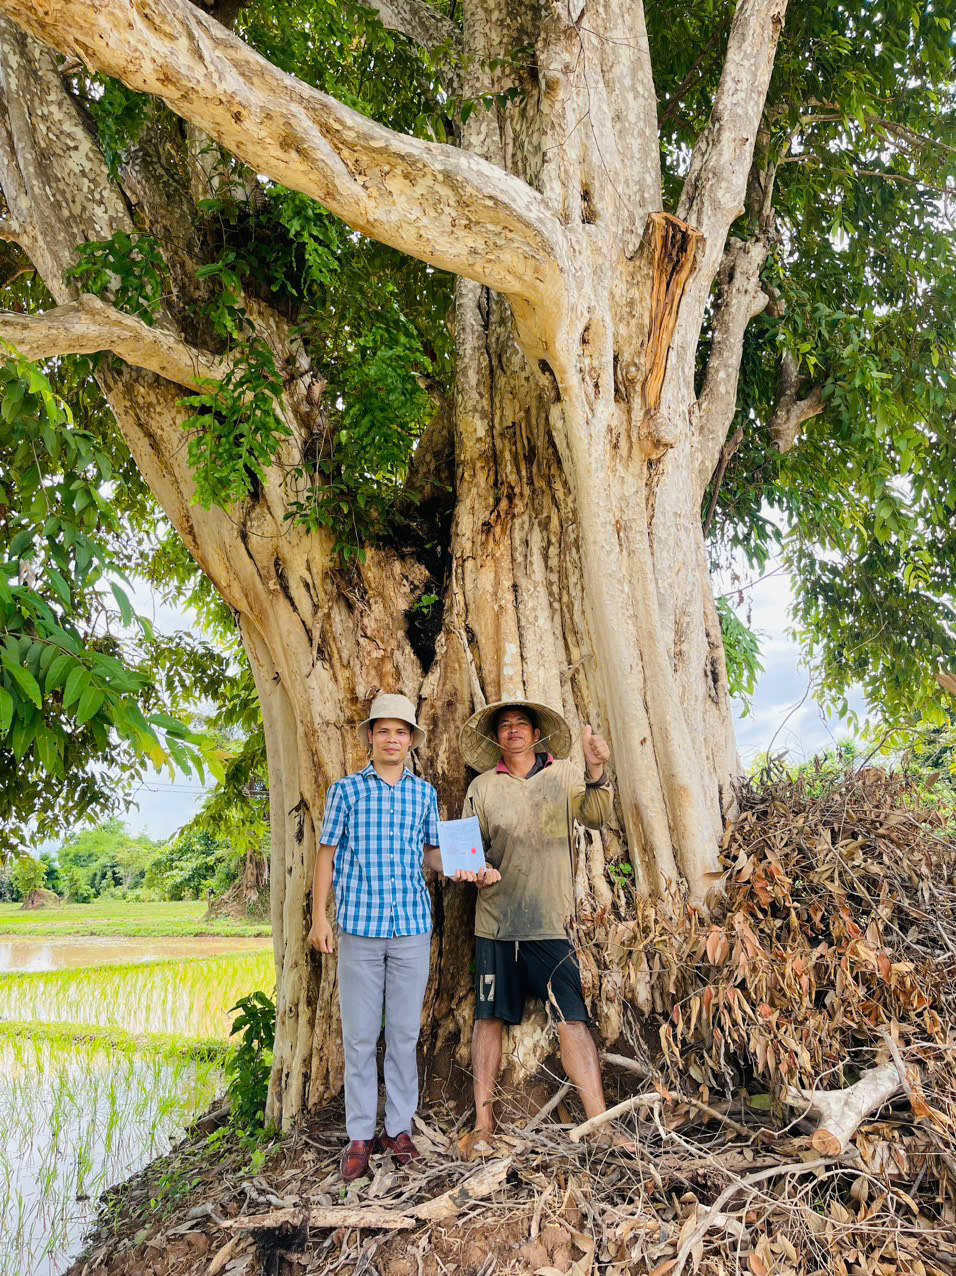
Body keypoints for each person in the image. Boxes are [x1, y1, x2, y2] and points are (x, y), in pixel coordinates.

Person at [308, 692, 499, 1181]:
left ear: (411, 741)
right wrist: (319, 918)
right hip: (360, 929)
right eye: (384, 730)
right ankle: (358, 1135)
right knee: (359, 1036)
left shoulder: (423, 794)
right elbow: (326, 856)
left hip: (412, 928)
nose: (393, 739)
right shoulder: (346, 791)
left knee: (403, 1034)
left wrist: (463, 868)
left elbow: (432, 853)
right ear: (371, 737)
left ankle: (398, 1130)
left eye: (402, 732)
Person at [458, 699, 613, 1156]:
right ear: (496, 738)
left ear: (536, 733)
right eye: (504, 727)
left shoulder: (566, 776)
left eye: (520, 725)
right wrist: (477, 868)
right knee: (487, 1020)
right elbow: (470, 849)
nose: (512, 732)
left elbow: (597, 817)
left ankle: (599, 1123)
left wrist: (597, 769)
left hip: (551, 922)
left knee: (573, 1020)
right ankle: (483, 1124)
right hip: (495, 922)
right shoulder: (483, 788)